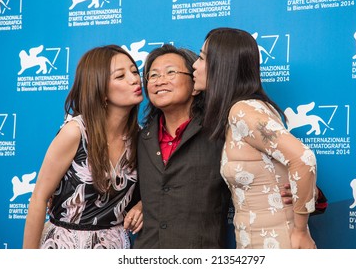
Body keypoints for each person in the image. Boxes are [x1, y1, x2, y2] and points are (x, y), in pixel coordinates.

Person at [133, 44, 294, 249]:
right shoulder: (141, 138)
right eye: (153, 75)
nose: (159, 80)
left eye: (170, 72)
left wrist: (307, 194)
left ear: (194, 83)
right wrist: (140, 204)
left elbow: (273, 172)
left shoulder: (221, 132)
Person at [192, 27, 318, 249]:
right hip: (253, 242)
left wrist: (300, 231)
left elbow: (303, 158)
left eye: (201, 58)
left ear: (222, 65)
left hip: (279, 242)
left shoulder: (243, 111)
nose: (194, 65)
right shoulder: (244, 110)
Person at [23, 45, 143, 249]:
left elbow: (156, 190)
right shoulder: (75, 132)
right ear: (100, 89)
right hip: (65, 245)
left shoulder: (141, 137)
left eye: (134, 71)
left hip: (114, 246)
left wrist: (142, 207)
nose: (134, 79)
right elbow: (39, 198)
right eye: (120, 76)